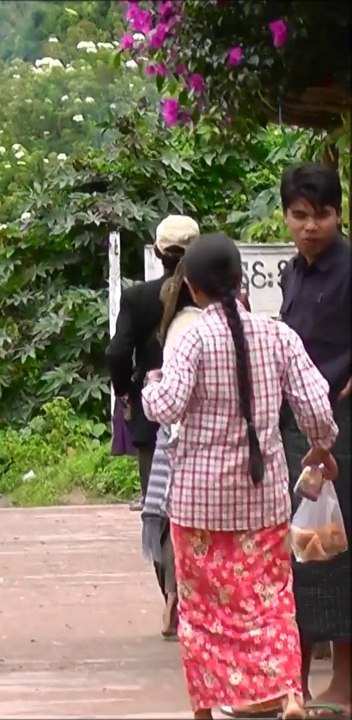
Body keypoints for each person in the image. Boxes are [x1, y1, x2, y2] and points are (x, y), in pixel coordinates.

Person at [141, 232, 340, 720]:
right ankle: (290, 693)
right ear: (240, 280)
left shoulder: (191, 339)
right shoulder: (277, 335)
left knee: (204, 610)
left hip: (198, 503)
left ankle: (207, 708)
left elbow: (167, 407)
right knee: (270, 601)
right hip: (263, 497)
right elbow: (317, 407)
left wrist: (151, 386)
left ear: (190, 286)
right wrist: (320, 448)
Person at [275, 162, 352, 717]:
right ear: (286, 217)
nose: (309, 226)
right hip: (295, 429)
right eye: (299, 215)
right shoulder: (291, 274)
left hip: (344, 431)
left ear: (338, 215)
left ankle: (344, 684)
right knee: (298, 554)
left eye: (320, 215)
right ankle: (290, 683)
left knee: (339, 557)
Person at [109, 214, 201, 512]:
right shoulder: (205, 297)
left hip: (151, 407)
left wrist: (125, 391)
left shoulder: (137, 297)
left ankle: (163, 557)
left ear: (157, 251)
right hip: (202, 406)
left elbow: (117, 352)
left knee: (157, 502)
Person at [138, 255, 202, 640]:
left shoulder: (177, 324)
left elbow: (167, 402)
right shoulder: (257, 328)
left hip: (175, 440)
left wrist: (147, 389)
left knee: (172, 521)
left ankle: (175, 596)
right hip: (241, 458)